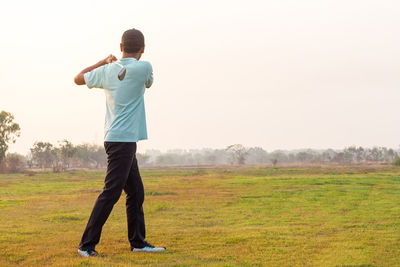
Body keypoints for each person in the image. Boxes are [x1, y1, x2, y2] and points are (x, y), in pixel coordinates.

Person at [74, 28, 165, 257]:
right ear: (142, 49)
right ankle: (86, 245)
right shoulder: (145, 67)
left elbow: (78, 78)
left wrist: (103, 61)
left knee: (136, 192)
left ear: (120, 46)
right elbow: (148, 84)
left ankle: (138, 243)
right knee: (111, 192)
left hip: (118, 140)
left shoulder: (106, 70)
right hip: (122, 142)